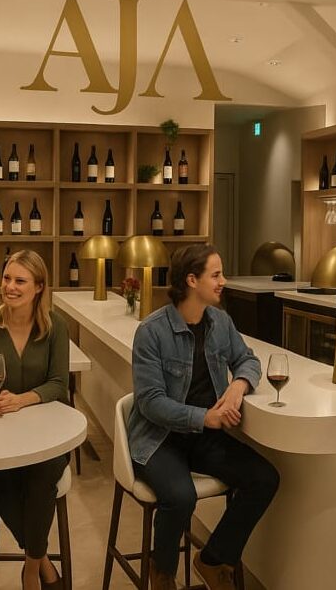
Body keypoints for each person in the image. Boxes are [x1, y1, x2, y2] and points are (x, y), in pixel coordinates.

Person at [130, 243, 280, 590]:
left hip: (204, 438)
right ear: (192, 280)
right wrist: (205, 418)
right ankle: (163, 572)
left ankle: (212, 561)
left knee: (264, 478)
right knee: (182, 497)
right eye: (216, 275)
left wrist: (238, 385)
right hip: (158, 438)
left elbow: (248, 359)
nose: (223, 281)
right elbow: (151, 402)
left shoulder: (220, 321)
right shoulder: (151, 332)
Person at [0, 249, 68, 590]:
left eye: (20, 280)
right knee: (5, 482)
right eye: (7, 278)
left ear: (38, 286)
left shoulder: (55, 326)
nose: (10, 286)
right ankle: (43, 564)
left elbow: (58, 383)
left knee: (42, 475)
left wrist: (20, 400)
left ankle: (29, 571)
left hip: (47, 431)